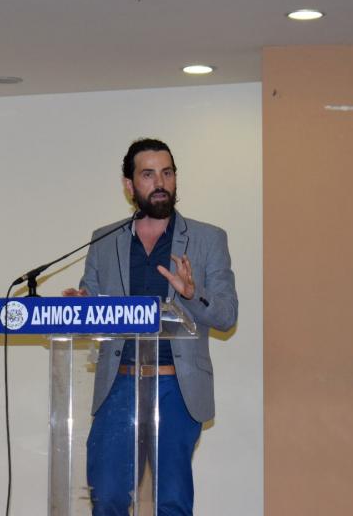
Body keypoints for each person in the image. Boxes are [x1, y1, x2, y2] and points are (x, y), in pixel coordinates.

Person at [63, 138, 238, 516]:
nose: (160, 183)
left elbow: (226, 315)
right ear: (129, 185)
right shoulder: (104, 240)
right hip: (119, 384)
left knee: (171, 502)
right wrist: (81, 307)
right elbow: (92, 306)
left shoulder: (208, 239)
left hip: (175, 386)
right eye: (148, 174)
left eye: (167, 173)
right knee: (107, 496)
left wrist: (192, 293)